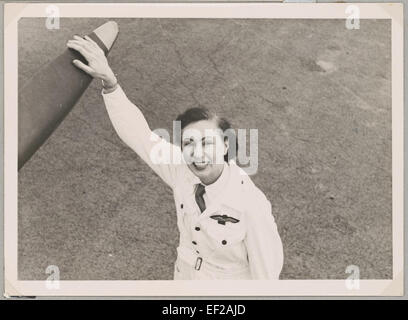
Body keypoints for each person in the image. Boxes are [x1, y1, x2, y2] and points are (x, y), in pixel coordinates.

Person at [67, 35, 284, 280]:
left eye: (206, 143)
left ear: (226, 144)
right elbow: (139, 135)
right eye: (189, 143)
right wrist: (110, 83)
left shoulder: (251, 203)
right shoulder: (182, 169)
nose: (197, 153)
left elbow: (267, 277)